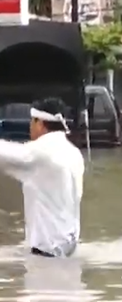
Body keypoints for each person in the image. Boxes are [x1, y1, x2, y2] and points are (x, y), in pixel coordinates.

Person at [0, 98, 84, 257]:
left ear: (40, 123)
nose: (30, 126)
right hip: (69, 248)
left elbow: (5, 153)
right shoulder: (73, 152)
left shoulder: (41, 152)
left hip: (46, 252)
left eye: (32, 121)